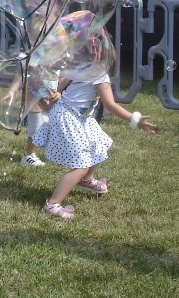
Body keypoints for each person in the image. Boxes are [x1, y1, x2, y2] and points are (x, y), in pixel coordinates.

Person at [32, 37, 157, 220]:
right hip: (70, 117)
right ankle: (52, 204)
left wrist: (57, 92)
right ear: (103, 55)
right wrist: (134, 119)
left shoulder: (77, 67)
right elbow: (110, 105)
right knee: (81, 164)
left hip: (75, 115)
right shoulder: (99, 75)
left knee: (100, 143)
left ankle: (86, 180)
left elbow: (62, 82)